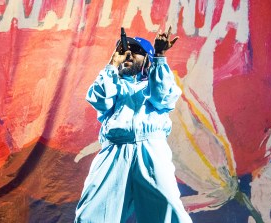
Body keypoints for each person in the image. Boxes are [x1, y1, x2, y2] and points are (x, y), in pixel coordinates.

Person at [75, 27, 193, 223]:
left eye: (136, 51)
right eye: (123, 50)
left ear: (147, 59)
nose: (128, 54)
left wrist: (160, 57)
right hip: (114, 152)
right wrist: (113, 63)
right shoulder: (113, 83)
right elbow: (100, 99)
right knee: (90, 216)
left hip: (151, 151)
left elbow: (163, 98)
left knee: (168, 213)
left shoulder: (154, 82)